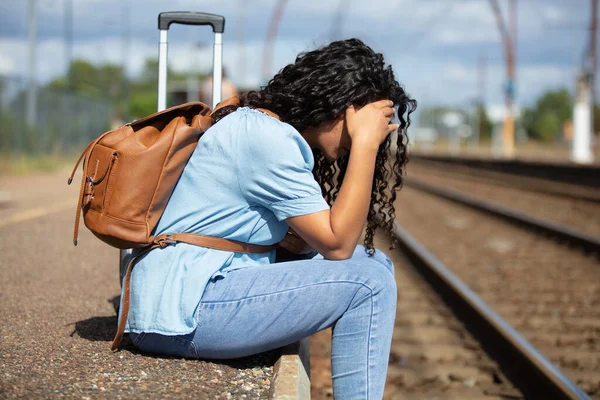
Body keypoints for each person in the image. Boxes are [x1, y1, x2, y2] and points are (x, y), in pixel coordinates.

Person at [123, 38, 416, 399]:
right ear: (341, 106)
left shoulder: (262, 128)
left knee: (375, 263)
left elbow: (325, 242)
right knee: (370, 283)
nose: (355, 143)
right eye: (360, 126)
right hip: (180, 311)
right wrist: (368, 147)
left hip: (189, 295)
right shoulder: (267, 138)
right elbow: (338, 245)